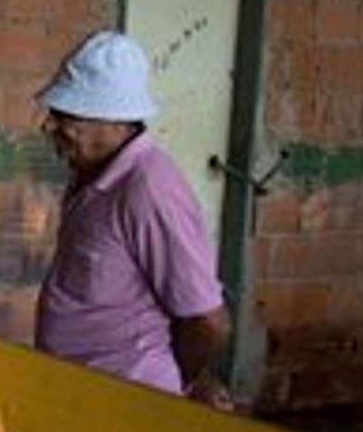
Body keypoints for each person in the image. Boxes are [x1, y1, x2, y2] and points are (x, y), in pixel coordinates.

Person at [34, 30, 233, 406]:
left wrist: (180, 384)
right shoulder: (91, 175)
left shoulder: (148, 188)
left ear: (115, 121)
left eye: (66, 115)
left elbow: (208, 321)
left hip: (126, 402)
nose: (48, 126)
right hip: (81, 395)